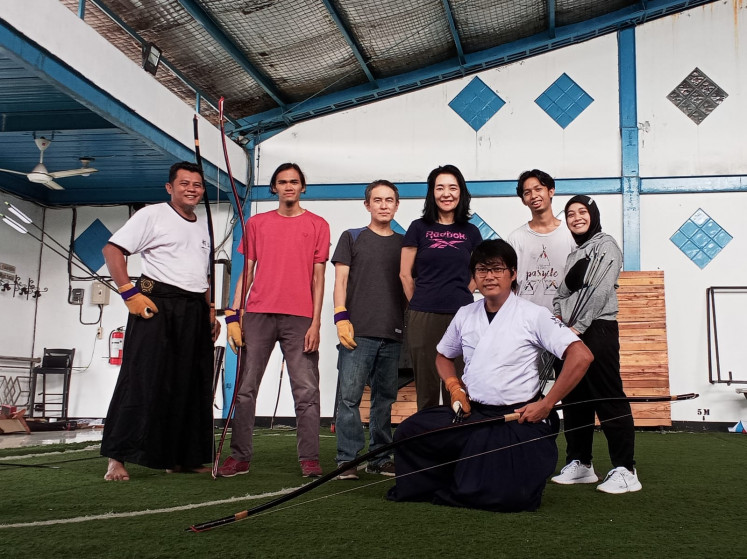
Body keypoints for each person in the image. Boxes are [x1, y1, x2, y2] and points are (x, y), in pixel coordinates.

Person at [387, 239, 593, 511]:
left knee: (509, 496)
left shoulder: (534, 315)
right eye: (482, 270)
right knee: (410, 432)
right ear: (473, 276)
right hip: (473, 414)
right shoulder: (465, 313)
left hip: (516, 418)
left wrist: (546, 404)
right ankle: (457, 476)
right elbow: (443, 356)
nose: (490, 276)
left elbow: (581, 355)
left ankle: (472, 477)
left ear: (513, 273)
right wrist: (454, 387)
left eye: (497, 269)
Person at [101, 161, 220, 481]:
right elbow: (112, 250)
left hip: (194, 308)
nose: (192, 189)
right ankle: (117, 457)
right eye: (184, 183)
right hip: (156, 304)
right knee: (142, 378)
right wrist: (128, 293)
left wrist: (209, 309)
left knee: (192, 383)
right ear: (170, 187)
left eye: (197, 184)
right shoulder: (151, 214)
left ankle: (182, 457)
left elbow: (202, 272)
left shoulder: (201, 225)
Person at [219, 163, 330, 478]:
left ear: (302, 187)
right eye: (282, 182)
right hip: (257, 314)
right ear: (274, 188)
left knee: (306, 390)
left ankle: (309, 459)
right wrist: (233, 315)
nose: (288, 187)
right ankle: (240, 457)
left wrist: (316, 323)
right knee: (245, 389)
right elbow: (247, 272)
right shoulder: (257, 223)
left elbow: (318, 278)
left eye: (294, 181)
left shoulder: (318, 225)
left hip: (300, 317)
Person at [551, 195, 641, 494]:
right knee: (575, 398)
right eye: (570, 213)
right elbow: (560, 295)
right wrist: (563, 323)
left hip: (597, 329)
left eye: (582, 212)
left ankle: (626, 469)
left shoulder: (607, 245)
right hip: (570, 331)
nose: (576, 217)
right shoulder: (574, 254)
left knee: (607, 395)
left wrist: (576, 325)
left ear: (593, 215)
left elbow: (599, 291)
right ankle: (581, 463)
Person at [332, 180, 407, 480]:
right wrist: (340, 316)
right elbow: (339, 282)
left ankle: (380, 457)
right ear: (368, 205)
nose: (384, 205)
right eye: (378, 200)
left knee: (385, 399)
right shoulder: (351, 237)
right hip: (357, 332)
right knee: (348, 399)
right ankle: (347, 460)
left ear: (397, 205)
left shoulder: (404, 245)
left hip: (393, 334)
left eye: (390, 200)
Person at [400, 164, 482, 410]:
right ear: (432, 193)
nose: (446, 193)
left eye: (453, 187)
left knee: (456, 385)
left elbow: (480, 271)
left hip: (462, 316)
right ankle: (426, 443)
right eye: (440, 188)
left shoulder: (471, 231)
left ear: (461, 192)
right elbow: (405, 274)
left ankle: (455, 441)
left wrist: (463, 293)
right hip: (422, 315)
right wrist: (419, 302)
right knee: (426, 386)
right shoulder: (418, 227)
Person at [508, 169, 575, 311]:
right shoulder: (516, 238)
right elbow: (510, 284)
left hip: (563, 319)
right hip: (525, 320)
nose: (534, 196)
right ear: (523, 201)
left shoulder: (571, 234)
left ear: (551, 191)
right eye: (527, 193)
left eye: (538, 189)